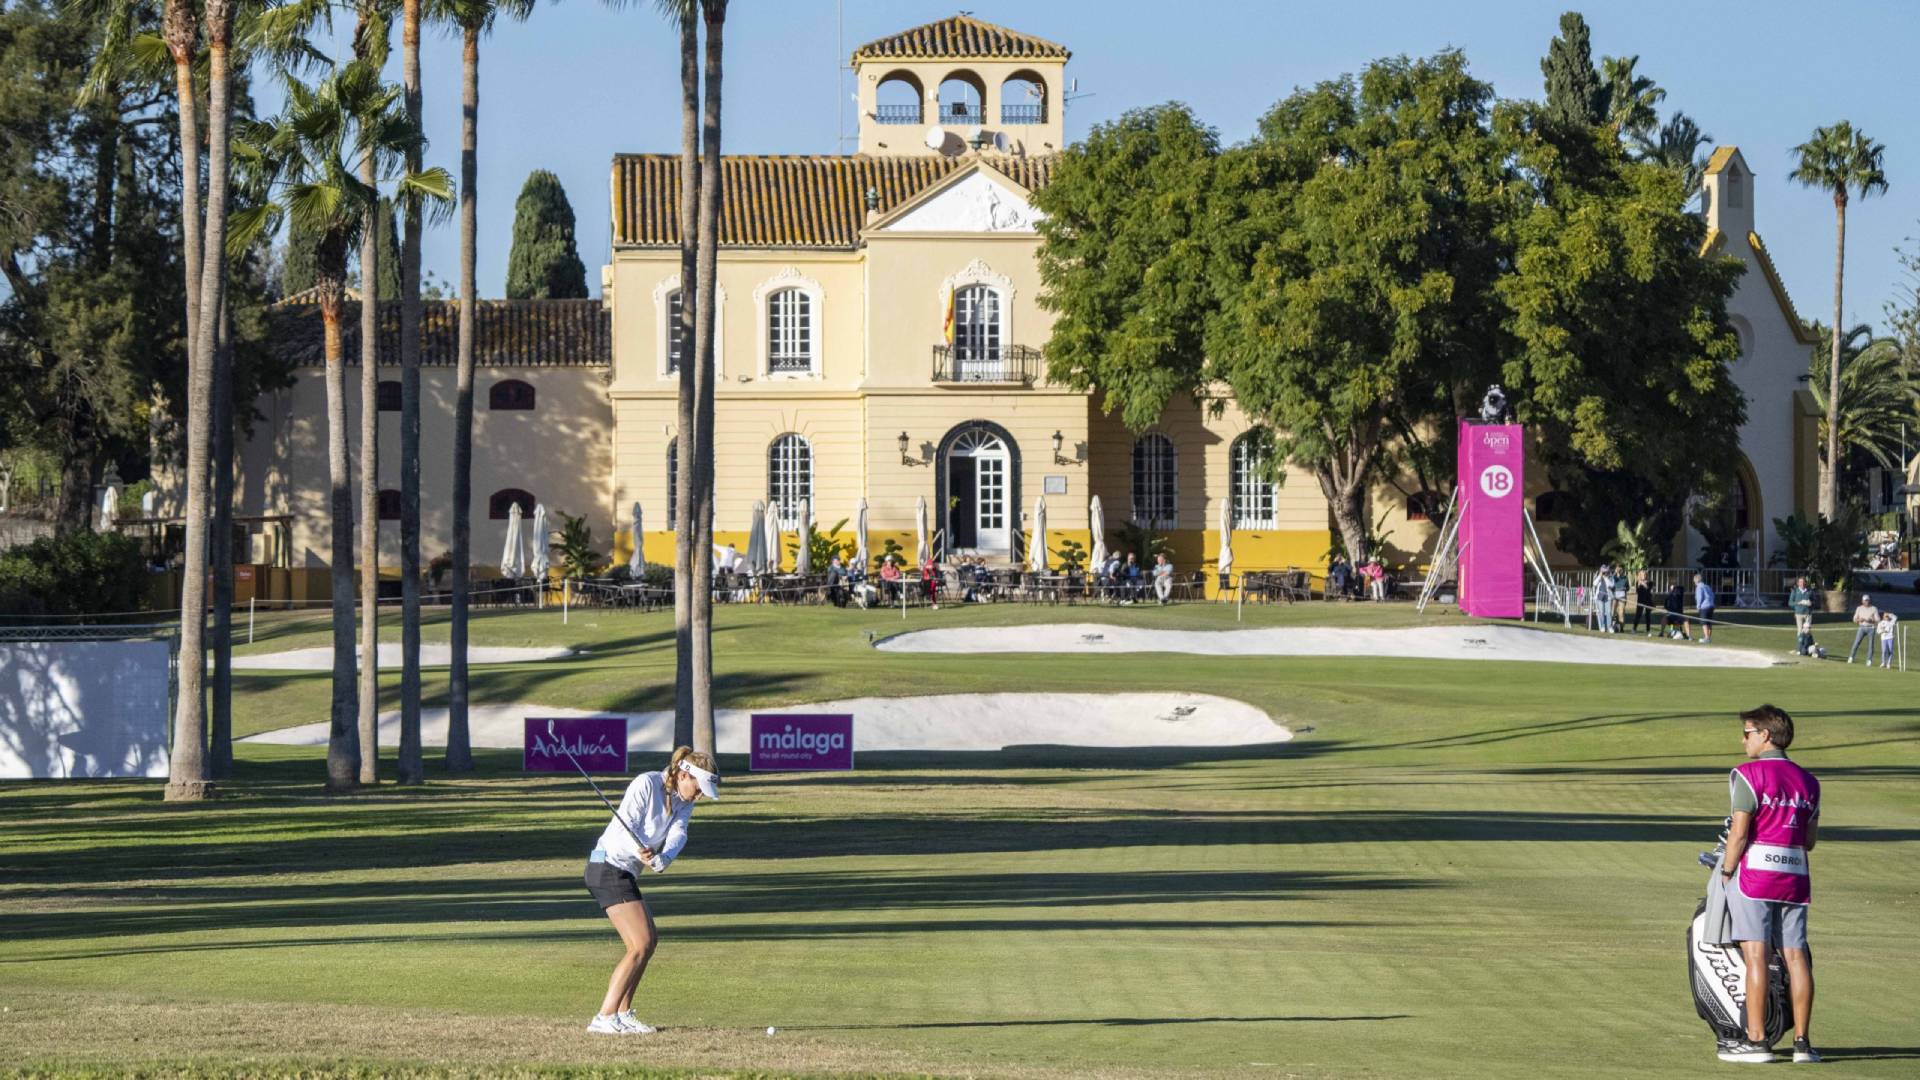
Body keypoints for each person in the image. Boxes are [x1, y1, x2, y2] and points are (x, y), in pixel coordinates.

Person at [584, 746, 721, 1035]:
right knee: (640, 944)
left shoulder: (683, 800)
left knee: (650, 942)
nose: (698, 796)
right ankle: (604, 1017)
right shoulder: (647, 783)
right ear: (684, 775)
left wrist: (664, 858)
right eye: (697, 788)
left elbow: (678, 832)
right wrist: (641, 851)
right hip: (606, 866)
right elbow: (627, 827)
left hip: (623, 872)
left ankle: (622, 1013)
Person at [1716, 705, 1819, 1064]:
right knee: (1795, 955)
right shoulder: (1809, 781)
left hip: (1755, 876)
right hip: (1795, 875)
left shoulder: (1748, 775)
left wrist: (1726, 871)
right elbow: (1809, 840)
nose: (1743, 740)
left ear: (1766, 736)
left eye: (1748, 733)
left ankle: (1756, 1040)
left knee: (1756, 954)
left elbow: (1740, 832)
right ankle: (1803, 1044)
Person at [1847, 594, 1880, 665]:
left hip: (1871, 628)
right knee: (1856, 643)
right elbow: (1854, 619)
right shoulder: (1859, 608)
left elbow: (1878, 620)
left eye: (1867, 600)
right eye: (1865, 600)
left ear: (1869, 600)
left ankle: (1869, 660)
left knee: (1871, 645)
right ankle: (1851, 657)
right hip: (1861, 627)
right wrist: (1859, 620)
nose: (1866, 602)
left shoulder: (1874, 608)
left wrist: (1871, 620)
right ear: (1862, 601)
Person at [1788, 576, 1816, 656]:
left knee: (1807, 631)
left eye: (1803, 582)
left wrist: (1810, 603)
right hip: (1799, 614)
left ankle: (1809, 649)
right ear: (1798, 583)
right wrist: (1798, 603)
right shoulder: (1795, 591)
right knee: (1800, 631)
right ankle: (1799, 649)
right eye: (1800, 582)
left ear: (1805, 583)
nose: (1802, 584)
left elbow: (1815, 602)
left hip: (1808, 613)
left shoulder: (1809, 591)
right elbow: (1790, 603)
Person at [1693, 573, 1717, 644]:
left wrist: (1698, 606)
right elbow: (1713, 595)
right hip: (1711, 606)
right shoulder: (1707, 586)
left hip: (1704, 607)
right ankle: (1709, 638)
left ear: (1696, 581)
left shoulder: (1699, 587)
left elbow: (1699, 598)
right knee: (1709, 623)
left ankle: (1706, 638)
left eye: (1694, 581)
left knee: (1704, 623)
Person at [1592, 564, 1616, 633]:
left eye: (1606, 571)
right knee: (1601, 612)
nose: (1605, 573)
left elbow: (1611, 585)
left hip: (1608, 597)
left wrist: (1605, 578)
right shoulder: (1598, 576)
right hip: (1599, 597)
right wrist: (1600, 576)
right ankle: (1602, 626)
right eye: (1603, 571)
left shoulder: (1610, 577)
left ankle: (1609, 627)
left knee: (1608, 613)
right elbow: (1594, 584)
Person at [1632, 570, 1656, 635]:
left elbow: (1649, 590)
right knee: (1638, 615)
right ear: (1640, 575)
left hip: (1648, 601)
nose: (1644, 576)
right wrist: (1640, 584)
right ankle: (1634, 629)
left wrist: (1644, 584)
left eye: (1645, 575)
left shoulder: (1650, 582)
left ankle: (1648, 631)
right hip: (1640, 601)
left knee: (1648, 616)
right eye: (1642, 575)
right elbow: (1637, 591)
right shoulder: (1638, 582)